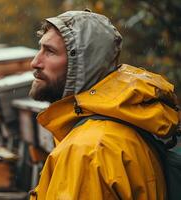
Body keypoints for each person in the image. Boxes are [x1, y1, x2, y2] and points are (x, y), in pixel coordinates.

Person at [29, 10, 179, 199]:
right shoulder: (128, 125)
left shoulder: (88, 151)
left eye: (50, 52)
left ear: (83, 66)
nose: (35, 62)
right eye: (40, 48)